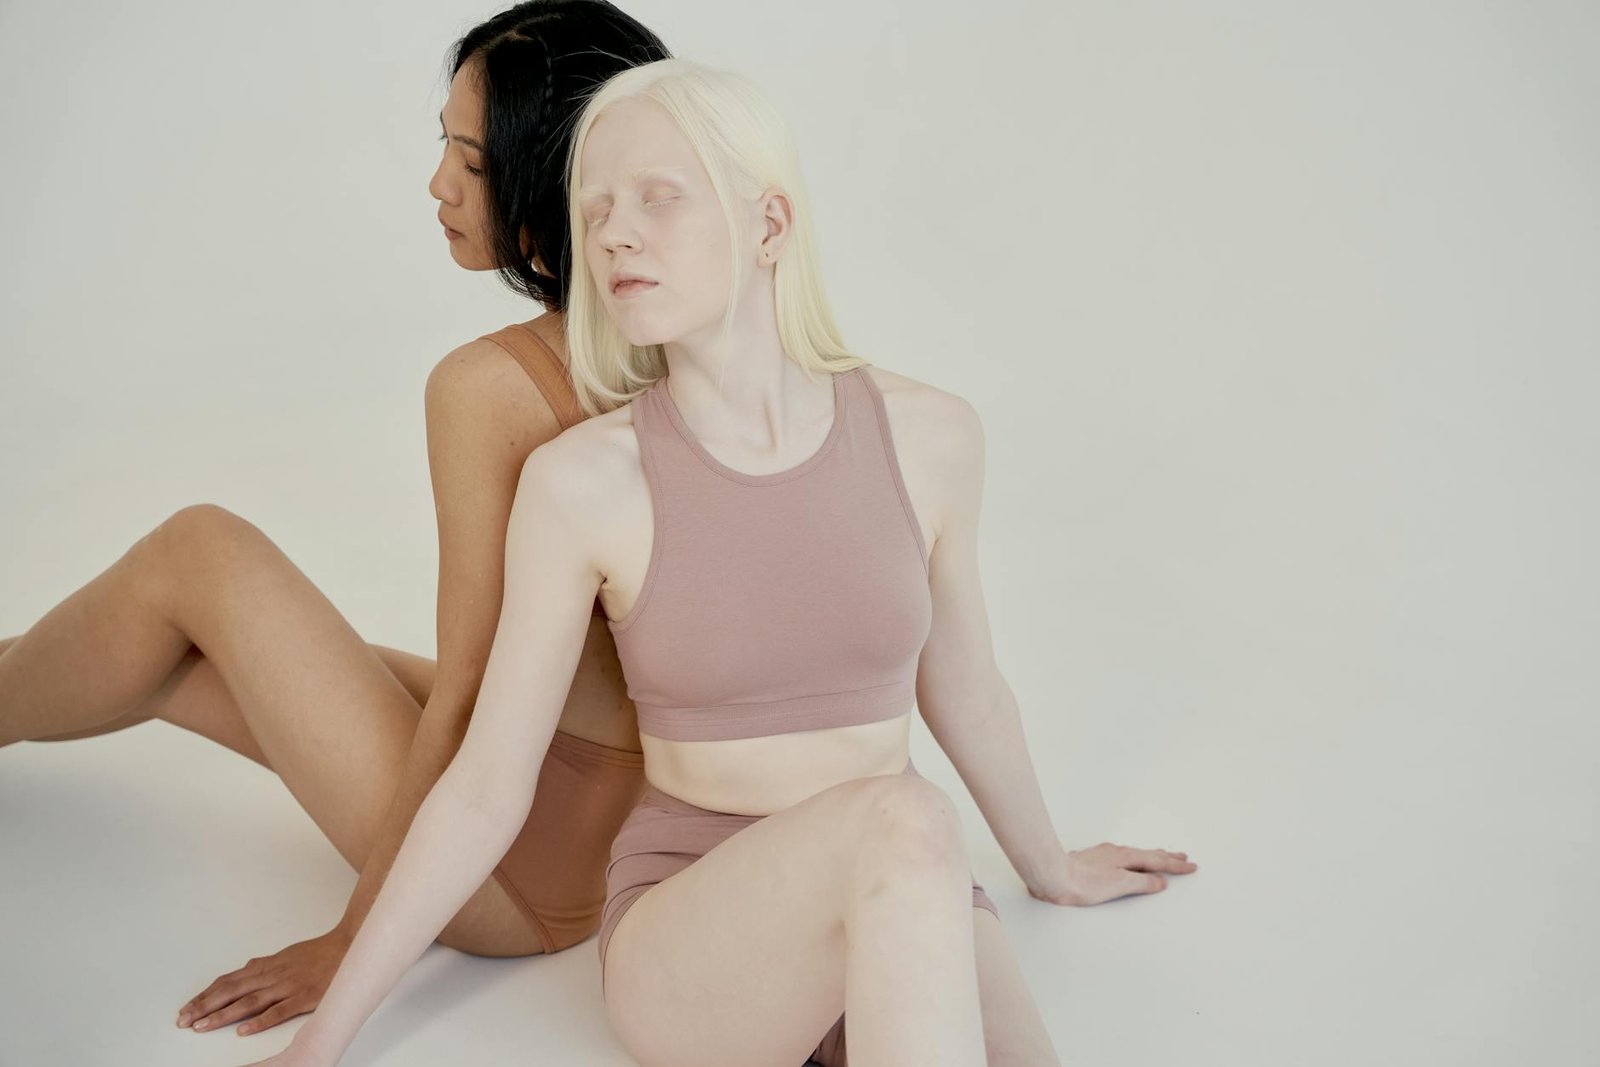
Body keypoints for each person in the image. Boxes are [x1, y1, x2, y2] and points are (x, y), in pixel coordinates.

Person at [249, 58, 1198, 1067]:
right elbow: (486, 785)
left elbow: (966, 685)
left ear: (770, 224)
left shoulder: (932, 439)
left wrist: (1048, 865)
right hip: (694, 937)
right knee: (909, 814)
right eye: (597, 207)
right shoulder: (585, 485)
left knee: (916, 845)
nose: (615, 231)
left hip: (906, 889)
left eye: (659, 196)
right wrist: (323, 1044)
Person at [0, 0, 676, 1040]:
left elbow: (461, 689)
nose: (437, 186)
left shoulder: (488, 387)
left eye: (472, 164)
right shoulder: (695, 339)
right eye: (441, 148)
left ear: (553, 189)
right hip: (620, 828)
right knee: (183, 655)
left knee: (200, 552)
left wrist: (356, 939)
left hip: (507, 867)